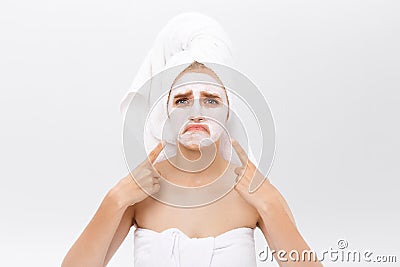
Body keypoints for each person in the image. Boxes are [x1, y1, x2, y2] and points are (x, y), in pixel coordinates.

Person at [62, 60, 323, 267]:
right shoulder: (138, 192)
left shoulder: (255, 192)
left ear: (227, 113)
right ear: (168, 114)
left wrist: (269, 204)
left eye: (211, 100)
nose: (195, 112)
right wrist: (115, 199)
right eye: (182, 100)